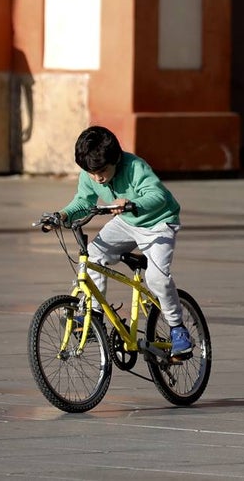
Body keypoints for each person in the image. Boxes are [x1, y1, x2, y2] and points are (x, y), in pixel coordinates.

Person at [55, 126, 193, 356]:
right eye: (92, 173)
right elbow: (82, 201)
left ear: (116, 159)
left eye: (102, 171)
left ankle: (178, 329)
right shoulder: (90, 173)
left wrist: (131, 202)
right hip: (126, 223)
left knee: (156, 277)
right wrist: (62, 215)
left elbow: (157, 196)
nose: (97, 178)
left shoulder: (135, 167)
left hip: (159, 223)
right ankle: (94, 317)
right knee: (93, 255)